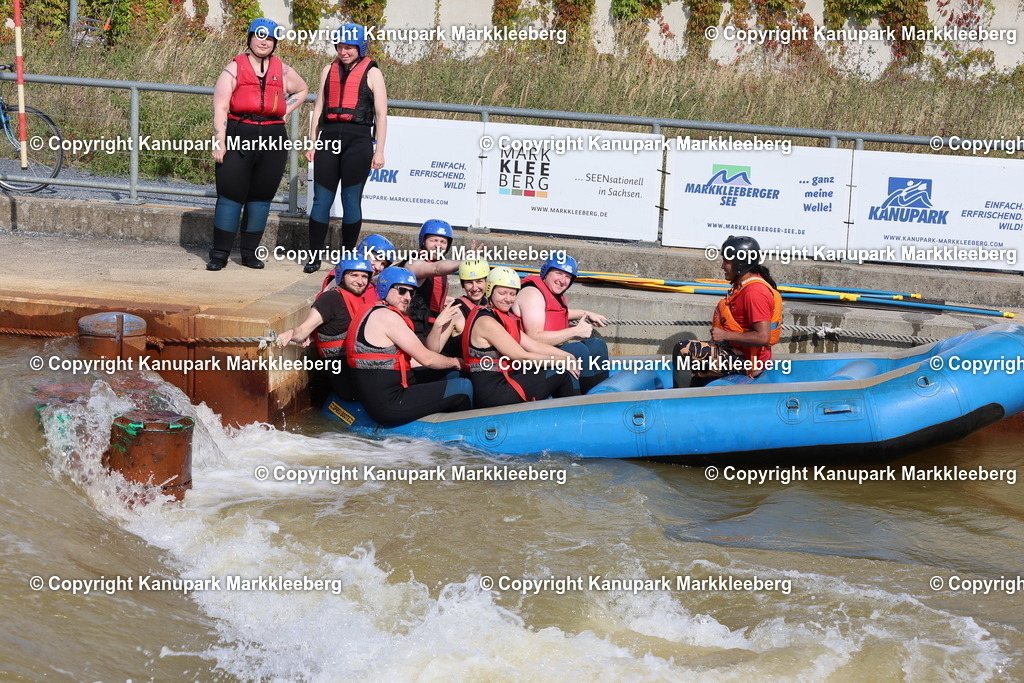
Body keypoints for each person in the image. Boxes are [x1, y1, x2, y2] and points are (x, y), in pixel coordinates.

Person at [208, 18, 308, 271]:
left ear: (275, 43)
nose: (264, 41)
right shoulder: (233, 68)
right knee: (230, 197)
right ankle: (219, 254)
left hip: (273, 137)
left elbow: (302, 90)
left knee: (261, 199)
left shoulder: (283, 70)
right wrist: (220, 141)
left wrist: (286, 109)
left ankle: (249, 253)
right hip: (240, 134)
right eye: (259, 36)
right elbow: (220, 106)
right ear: (250, 38)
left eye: (270, 38)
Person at [303, 23, 388, 273]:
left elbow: (382, 114)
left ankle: (348, 256)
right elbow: (319, 108)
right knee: (321, 201)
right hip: (329, 138)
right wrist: (312, 142)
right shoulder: (327, 69)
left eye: (349, 47)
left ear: (360, 48)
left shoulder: (373, 74)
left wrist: (379, 150)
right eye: (340, 46)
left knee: (351, 201)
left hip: (358, 141)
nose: (344, 51)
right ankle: (314, 256)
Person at [346, 267, 472, 426]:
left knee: (452, 375)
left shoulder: (373, 310)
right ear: (385, 288)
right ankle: (461, 434)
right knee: (463, 387)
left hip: (390, 393)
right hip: (389, 404)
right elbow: (427, 359)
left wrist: (452, 366)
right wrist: (458, 362)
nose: (407, 297)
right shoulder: (387, 317)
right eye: (402, 291)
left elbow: (410, 360)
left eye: (411, 293)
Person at [672, 235, 783, 388]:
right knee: (698, 365)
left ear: (741, 263)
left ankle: (677, 399)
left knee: (683, 349)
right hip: (739, 353)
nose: (722, 266)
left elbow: (763, 337)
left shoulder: (754, 292)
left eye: (727, 261)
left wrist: (725, 335)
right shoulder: (742, 286)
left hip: (749, 361)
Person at [462, 267, 580, 409]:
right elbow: (521, 356)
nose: (508, 299)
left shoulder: (502, 317)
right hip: (494, 392)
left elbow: (532, 345)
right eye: (502, 293)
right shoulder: (486, 321)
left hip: (505, 380)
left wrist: (568, 356)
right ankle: (576, 417)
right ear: (490, 291)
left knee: (564, 365)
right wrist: (562, 361)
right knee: (562, 373)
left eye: (512, 294)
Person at [276, 256, 374, 399]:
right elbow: (304, 329)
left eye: (364, 276)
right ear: (341, 275)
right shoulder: (330, 299)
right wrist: (291, 333)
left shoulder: (362, 299)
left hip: (360, 369)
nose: (360, 281)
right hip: (346, 380)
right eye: (354, 275)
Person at [513, 253, 611, 393]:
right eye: (558, 273)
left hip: (548, 351)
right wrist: (575, 331)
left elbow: (556, 314)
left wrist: (587, 313)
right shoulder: (532, 294)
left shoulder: (550, 292)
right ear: (546, 272)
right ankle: (587, 403)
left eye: (567, 277)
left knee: (597, 345)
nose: (562, 280)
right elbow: (535, 337)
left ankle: (601, 394)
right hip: (530, 361)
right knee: (578, 350)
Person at [403, 219, 480, 341]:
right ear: (423, 241)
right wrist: (464, 261)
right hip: (413, 328)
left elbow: (435, 298)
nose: (438, 245)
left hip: (431, 326)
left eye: (443, 242)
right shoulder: (413, 263)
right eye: (433, 240)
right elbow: (435, 269)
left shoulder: (440, 264)